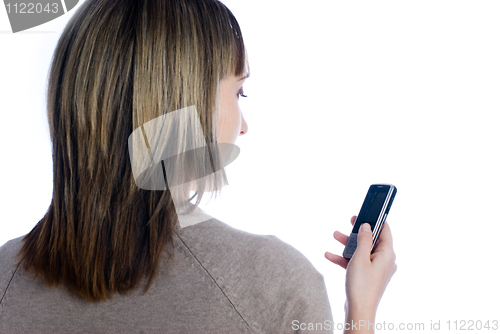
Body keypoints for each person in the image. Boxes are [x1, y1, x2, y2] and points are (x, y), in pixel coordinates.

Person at [0, 0, 396, 332]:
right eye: (239, 92)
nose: (244, 125)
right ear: (183, 103)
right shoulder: (271, 285)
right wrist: (360, 313)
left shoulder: (5, 278)